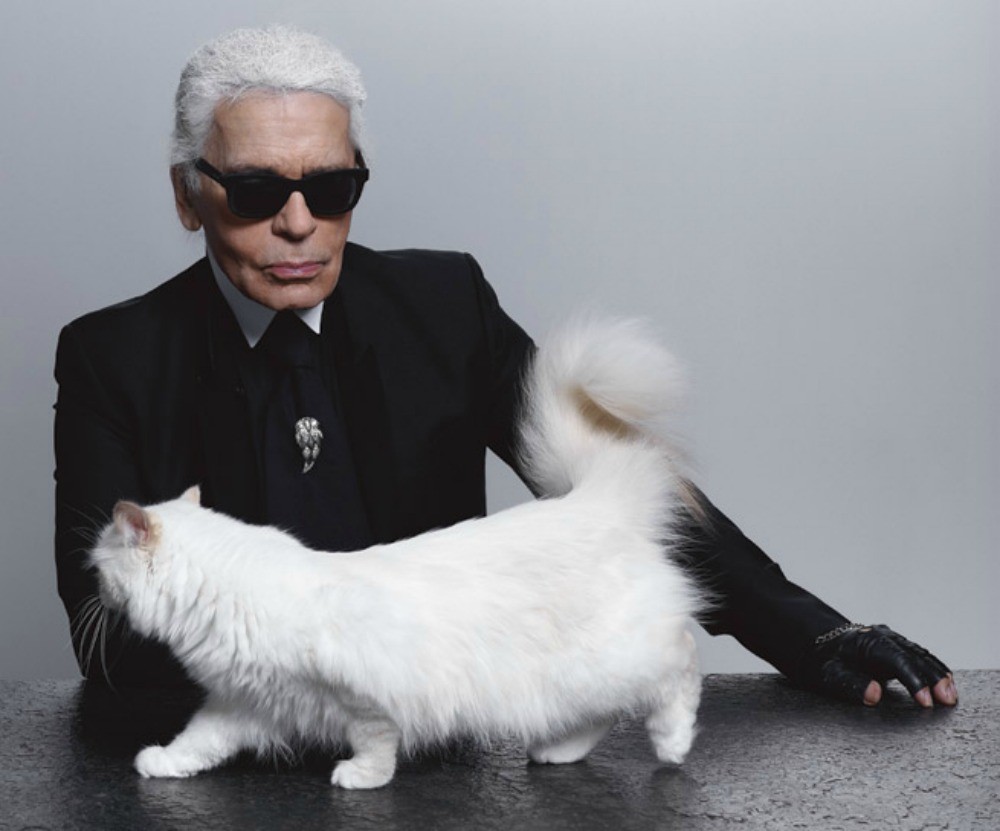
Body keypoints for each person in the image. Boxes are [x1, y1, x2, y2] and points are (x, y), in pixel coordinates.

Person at [54, 25, 956, 708]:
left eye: (330, 189)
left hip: (435, 770)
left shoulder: (445, 306)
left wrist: (813, 635)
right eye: (257, 191)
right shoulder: (110, 357)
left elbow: (619, 494)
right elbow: (107, 633)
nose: (299, 224)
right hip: (220, 763)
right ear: (188, 195)